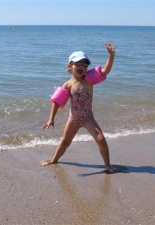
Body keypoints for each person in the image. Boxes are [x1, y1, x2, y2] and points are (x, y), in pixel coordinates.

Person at [41, 43, 116, 174]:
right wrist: (51, 119)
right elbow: (56, 102)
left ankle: (108, 166)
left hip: (88, 117)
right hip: (74, 118)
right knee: (65, 142)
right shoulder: (68, 84)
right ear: (70, 65)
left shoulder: (90, 79)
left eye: (85, 65)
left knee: (101, 139)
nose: (82, 67)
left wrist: (111, 55)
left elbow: (105, 70)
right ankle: (54, 160)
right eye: (78, 64)